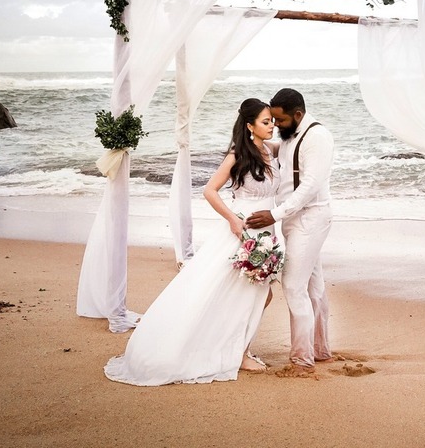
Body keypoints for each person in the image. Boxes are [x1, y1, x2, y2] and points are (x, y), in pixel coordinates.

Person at [105, 98, 279, 385]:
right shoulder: (237, 155)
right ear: (250, 126)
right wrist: (233, 221)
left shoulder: (268, 151)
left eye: (272, 120)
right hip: (243, 230)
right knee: (244, 293)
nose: (271, 125)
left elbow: (296, 149)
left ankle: (237, 347)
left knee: (259, 294)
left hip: (267, 231)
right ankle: (239, 352)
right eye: (265, 121)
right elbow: (210, 191)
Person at [246, 87, 334, 376]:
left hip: (310, 217)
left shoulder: (317, 138)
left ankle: (301, 359)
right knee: (314, 286)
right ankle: (320, 350)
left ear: (297, 114)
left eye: (280, 121)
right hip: (294, 219)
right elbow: (282, 152)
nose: (276, 126)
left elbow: (309, 187)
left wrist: (273, 213)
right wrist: (251, 141)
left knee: (293, 286)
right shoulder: (288, 136)